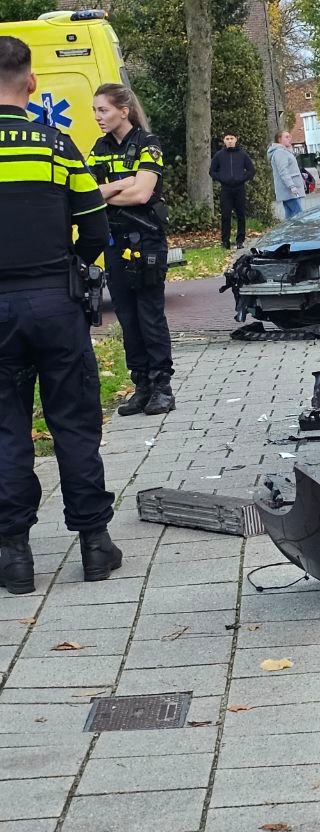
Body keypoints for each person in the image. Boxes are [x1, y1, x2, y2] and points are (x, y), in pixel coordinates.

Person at [0, 36, 123, 594]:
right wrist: (71, 266)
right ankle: (95, 544)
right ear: (31, 83)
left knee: (5, 428)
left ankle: (14, 556)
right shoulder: (57, 145)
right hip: (56, 301)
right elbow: (95, 227)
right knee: (73, 421)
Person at [88, 82, 176, 416]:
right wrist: (125, 182)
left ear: (123, 111)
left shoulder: (148, 144)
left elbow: (142, 194)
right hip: (115, 240)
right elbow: (89, 194)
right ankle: (141, 386)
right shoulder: (99, 148)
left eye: (103, 110)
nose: (97, 116)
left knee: (149, 315)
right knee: (126, 316)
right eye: (95, 111)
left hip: (146, 240)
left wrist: (111, 190)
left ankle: (162, 387)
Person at [209, 132, 255, 249]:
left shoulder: (242, 155)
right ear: (224, 140)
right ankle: (225, 241)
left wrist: (241, 179)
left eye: (232, 138)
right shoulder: (219, 155)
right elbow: (212, 171)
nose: (229, 141)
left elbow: (251, 170)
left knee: (241, 215)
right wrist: (222, 179)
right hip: (226, 189)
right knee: (225, 215)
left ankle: (240, 240)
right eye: (227, 138)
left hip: (239, 188)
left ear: (236, 140)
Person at [268, 130, 306, 219]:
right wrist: (291, 186)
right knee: (300, 215)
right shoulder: (280, 152)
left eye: (290, 136)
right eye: (286, 137)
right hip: (289, 191)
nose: (290, 138)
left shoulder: (285, 151)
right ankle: (301, 228)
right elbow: (283, 171)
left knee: (290, 216)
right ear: (279, 139)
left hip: (291, 190)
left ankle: (289, 229)